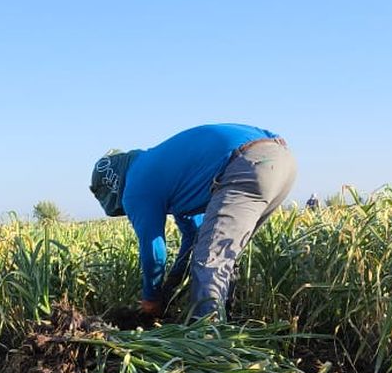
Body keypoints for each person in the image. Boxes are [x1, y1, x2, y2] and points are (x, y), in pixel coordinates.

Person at [90, 124, 297, 319]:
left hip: (247, 163)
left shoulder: (135, 186)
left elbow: (154, 249)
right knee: (225, 254)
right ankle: (225, 318)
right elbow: (194, 235)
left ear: (113, 186)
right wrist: (173, 280)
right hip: (280, 161)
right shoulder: (163, 170)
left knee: (210, 259)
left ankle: (208, 335)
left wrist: (151, 298)